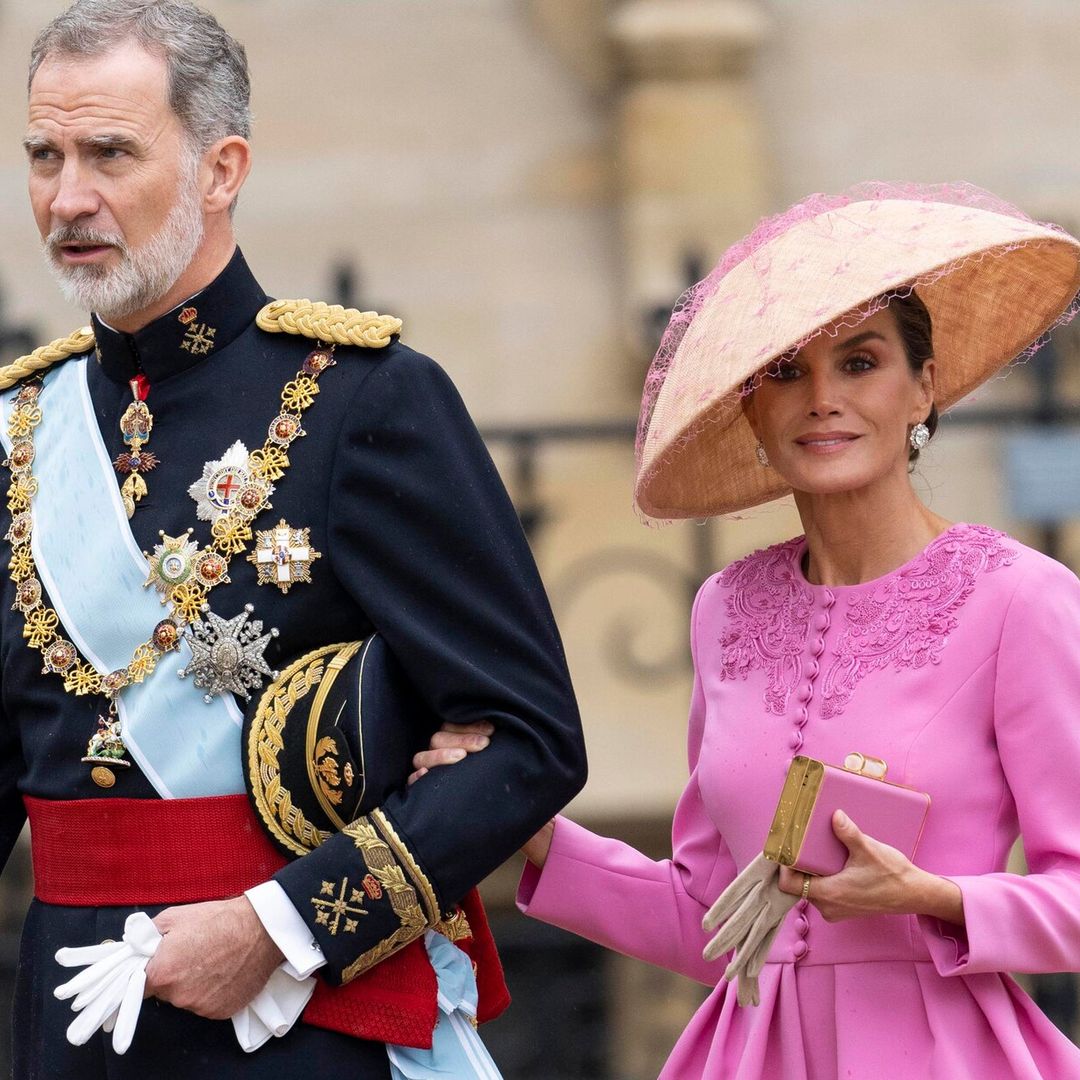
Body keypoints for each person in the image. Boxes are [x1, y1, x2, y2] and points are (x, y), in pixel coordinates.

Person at [0, 1, 586, 1077]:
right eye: (44, 155)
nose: (67, 198)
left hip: (299, 1022)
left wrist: (281, 926)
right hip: (69, 1024)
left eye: (110, 153)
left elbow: (527, 738)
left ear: (220, 170)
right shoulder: (22, 430)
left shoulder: (366, 401)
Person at [422, 182, 1080, 1077]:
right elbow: (707, 920)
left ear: (924, 387)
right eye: (784, 371)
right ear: (752, 412)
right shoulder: (723, 608)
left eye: (860, 362)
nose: (821, 399)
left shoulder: (1021, 599)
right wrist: (531, 830)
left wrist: (934, 898)